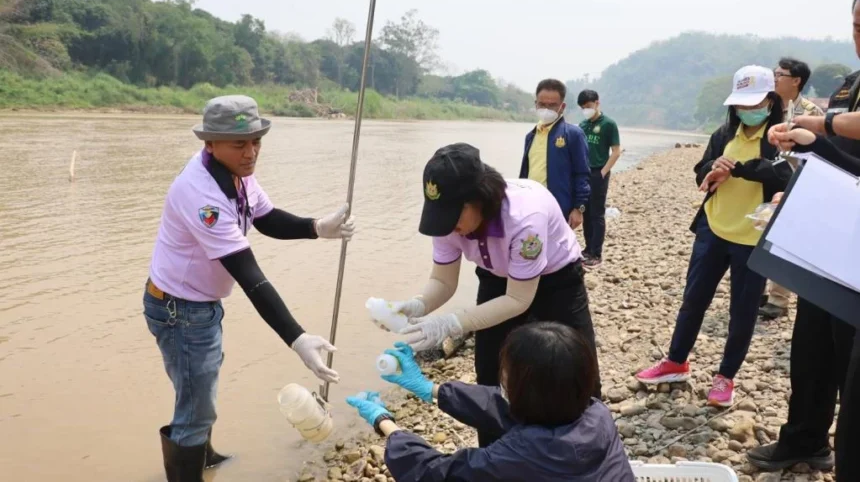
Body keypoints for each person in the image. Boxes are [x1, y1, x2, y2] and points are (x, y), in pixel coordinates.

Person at [144, 95, 353, 481]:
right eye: (240, 143)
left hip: (199, 305)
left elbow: (266, 217)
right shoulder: (201, 193)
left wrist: (315, 228)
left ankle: (203, 461)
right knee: (195, 405)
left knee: (199, 390)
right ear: (210, 143)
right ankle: (187, 472)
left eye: (256, 141)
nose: (251, 151)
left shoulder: (237, 172)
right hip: (180, 310)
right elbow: (248, 273)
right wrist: (297, 338)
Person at [380, 142, 600, 447]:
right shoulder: (447, 224)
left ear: (479, 198)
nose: (448, 226)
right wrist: (416, 306)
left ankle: (586, 448)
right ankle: (496, 455)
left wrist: (451, 324)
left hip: (556, 280)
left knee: (575, 366)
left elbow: (519, 300)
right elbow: (443, 282)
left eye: (453, 214)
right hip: (496, 276)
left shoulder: (525, 218)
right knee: (490, 368)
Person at [746, 0, 860, 477]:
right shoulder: (848, 86)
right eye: (856, 25)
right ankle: (805, 439)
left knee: (849, 360)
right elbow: (837, 157)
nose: (859, 36)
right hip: (829, 235)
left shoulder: (831, 107)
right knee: (811, 345)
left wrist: (819, 129)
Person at [635, 65, 791, 407]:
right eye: (741, 106)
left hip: (753, 238)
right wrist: (712, 169)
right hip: (713, 228)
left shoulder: (782, 136)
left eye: (755, 105)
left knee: (743, 311)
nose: (748, 112)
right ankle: (676, 361)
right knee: (694, 299)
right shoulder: (724, 134)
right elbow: (700, 173)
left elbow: (786, 176)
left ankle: (726, 377)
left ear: (770, 100)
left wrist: (738, 169)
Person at [346, 324, 634, 482]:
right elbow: (499, 406)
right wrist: (432, 389)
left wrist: (385, 422)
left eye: (506, 376)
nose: (501, 383)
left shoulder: (516, 457)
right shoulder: (597, 413)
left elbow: (437, 473)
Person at [758, 57, 824, 320]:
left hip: (795, 182)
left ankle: (779, 299)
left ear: (796, 80)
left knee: (785, 239)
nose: (774, 78)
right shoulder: (766, 107)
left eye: (780, 74)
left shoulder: (811, 113)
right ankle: (758, 291)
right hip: (764, 177)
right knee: (759, 233)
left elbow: (820, 151)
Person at [518, 79, 590, 231]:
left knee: (557, 251)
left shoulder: (573, 135)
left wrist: (579, 208)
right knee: (531, 249)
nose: (546, 109)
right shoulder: (531, 136)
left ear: (562, 107)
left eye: (552, 105)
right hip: (531, 205)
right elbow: (526, 172)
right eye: (542, 104)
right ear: (536, 104)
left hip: (559, 207)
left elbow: (582, 174)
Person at [577, 90, 622, 268]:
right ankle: (587, 249)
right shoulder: (583, 125)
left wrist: (603, 171)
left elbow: (616, 151)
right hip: (583, 173)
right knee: (585, 212)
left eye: (588, 106)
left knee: (597, 213)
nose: (586, 110)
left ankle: (596, 253)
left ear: (597, 103)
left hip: (598, 172)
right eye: (583, 108)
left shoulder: (609, 124)